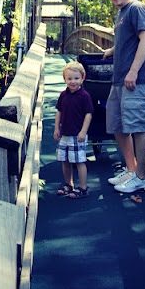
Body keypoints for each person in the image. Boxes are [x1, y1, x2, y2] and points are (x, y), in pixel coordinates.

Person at [103, 0, 145, 193]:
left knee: (137, 126)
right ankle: (131, 170)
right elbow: (129, 39)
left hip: (135, 79)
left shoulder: (136, 8)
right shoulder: (121, 13)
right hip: (119, 78)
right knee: (116, 125)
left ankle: (141, 177)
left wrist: (133, 71)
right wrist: (113, 50)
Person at [54, 61, 94, 199]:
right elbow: (59, 111)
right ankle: (68, 183)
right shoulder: (63, 95)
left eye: (76, 78)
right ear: (65, 79)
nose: (73, 82)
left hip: (77, 135)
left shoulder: (84, 96)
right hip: (64, 133)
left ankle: (83, 187)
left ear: (82, 78)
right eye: (69, 78)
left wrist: (83, 131)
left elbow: (88, 114)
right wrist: (56, 128)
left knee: (79, 161)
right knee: (65, 160)